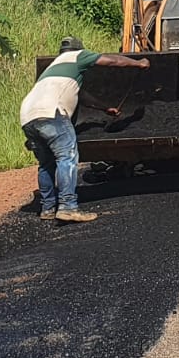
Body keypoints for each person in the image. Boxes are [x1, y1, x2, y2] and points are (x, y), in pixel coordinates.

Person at [20, 36, 149, 222]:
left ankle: (47, 208)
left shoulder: (53, 68)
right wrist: (138, 63)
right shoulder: (78, 56)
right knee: (67, 157)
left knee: (46, 163)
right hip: (53, 113)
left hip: (28, 116)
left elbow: (82, 96)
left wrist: (105, 108)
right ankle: (68, 207)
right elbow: (112, 61)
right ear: (78, 49)